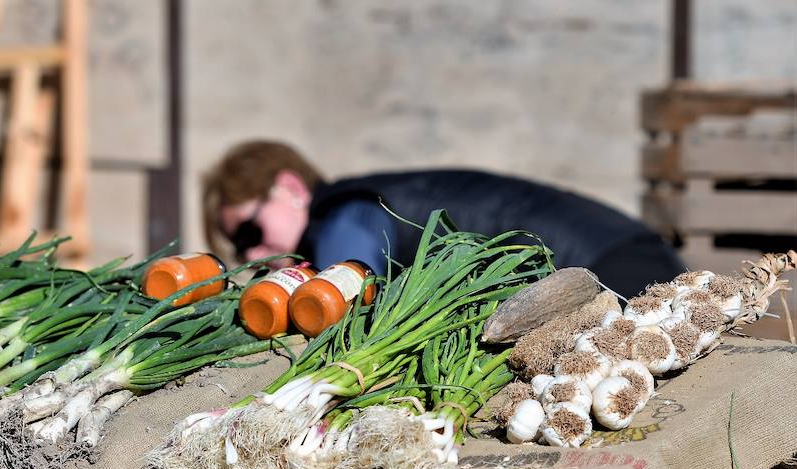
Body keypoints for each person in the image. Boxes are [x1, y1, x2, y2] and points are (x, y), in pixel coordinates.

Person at [203, 140, 685, 299]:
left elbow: (346, 288)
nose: (249, 253)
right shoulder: (357, 202)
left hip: (616, 270)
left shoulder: (341, 216)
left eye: (249, 230)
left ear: (289, 188)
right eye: (238, 245)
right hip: (614, 261)